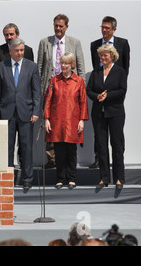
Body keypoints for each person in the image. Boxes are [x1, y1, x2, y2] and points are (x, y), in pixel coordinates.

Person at [37, 14, 86, 169]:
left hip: (70, 89)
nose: (58, 28)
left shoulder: (75, 43)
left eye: (61, 26)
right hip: (50, 88)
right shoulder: (45, 42)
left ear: (66, 27)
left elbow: (81, 68)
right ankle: (52, 159)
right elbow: (39, 68)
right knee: (50, 123)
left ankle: (66, 161)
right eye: (56, 25)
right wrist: (39, 89)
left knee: (67, 124)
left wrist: (79, 87)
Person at [0, 38, 41, 190]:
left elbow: (36, 92)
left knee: (26, 147)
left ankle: (27, 178)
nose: (20, 53)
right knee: (7, 148)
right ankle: (8, 178)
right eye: (17, 51)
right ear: (10, 51)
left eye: (22, 50)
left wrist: (36, 111)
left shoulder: (31, 66)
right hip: (6, 113)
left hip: (26, 112)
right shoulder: (1, 67)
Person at [89, 16, 130, 169]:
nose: (104, 30)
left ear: (114, 29)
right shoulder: (94, 45)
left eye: (107, 28)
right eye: (102, 27)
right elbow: (96, 71)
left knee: (117, 136)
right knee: (99, 135)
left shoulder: (123, 44)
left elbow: (125, 69)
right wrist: (98, 94)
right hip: (99, 98)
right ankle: (99, 160)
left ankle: (118, 166)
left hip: (115, 97)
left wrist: (115, 93)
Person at [44, 52, 89, 190]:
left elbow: (83, 102)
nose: (63, 66)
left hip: (73, 121)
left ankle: (71, 179)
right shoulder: (54, 81)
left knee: (71, 151)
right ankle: (60, 178)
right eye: (62, 63)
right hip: (57, 121)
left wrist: (82, 120)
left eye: (66, 63)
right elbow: (47, 102)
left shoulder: (79, 81)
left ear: (72, 65)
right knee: (59, 151)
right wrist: (46, 119)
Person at [87, 44, 127, 189]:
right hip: (99, 113)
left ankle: (119, 178)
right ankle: (104, 178)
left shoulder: (120, 71)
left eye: (106, 55)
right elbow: (89, 90)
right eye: (101, 55)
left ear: (112, 56)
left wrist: (107, 96)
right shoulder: (96, 72)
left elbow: (122, 90)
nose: (103, 58)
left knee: (117, 145)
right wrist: (97, 96)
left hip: (115, 113)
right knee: (101, 146)